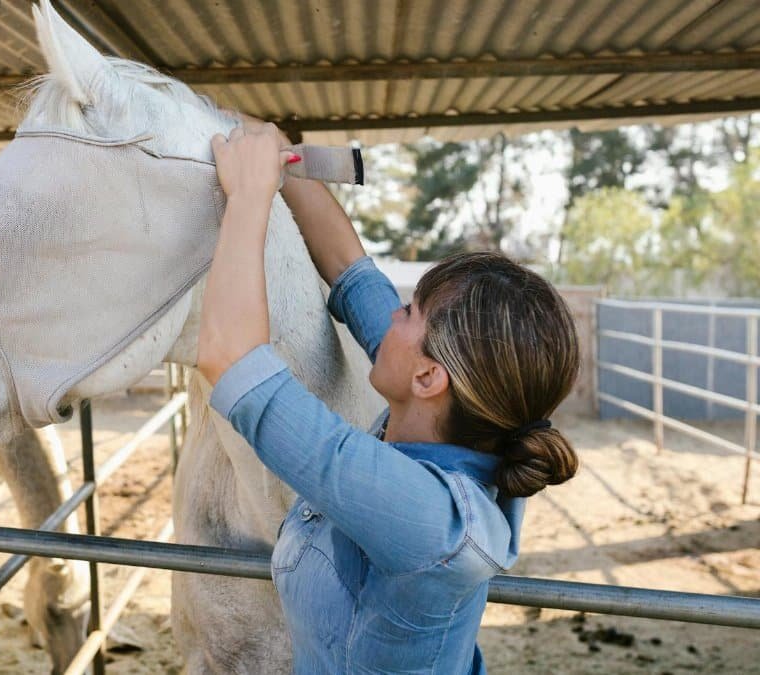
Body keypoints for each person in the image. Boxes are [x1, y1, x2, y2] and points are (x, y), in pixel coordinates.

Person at [196, 122, 581, 674]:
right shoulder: (446, 414)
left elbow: (231, 358)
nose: (391, 314)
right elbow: (354, 275)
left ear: (429, 378)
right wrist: (285, 162)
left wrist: (249, 197)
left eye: (409, 312)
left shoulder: (429, 521)